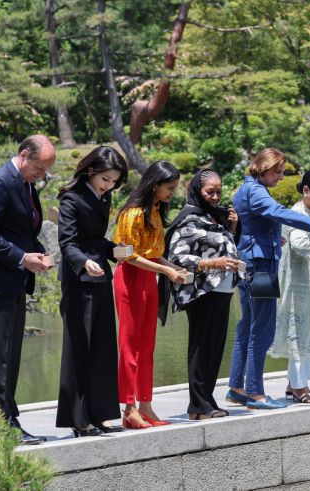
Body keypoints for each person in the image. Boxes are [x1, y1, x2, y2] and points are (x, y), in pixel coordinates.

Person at [227, 148, 310, 410]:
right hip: (262, 267)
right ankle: (255, 393)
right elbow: (277, 211)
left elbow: (250, 225)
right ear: (264, 168)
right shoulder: (256, 191)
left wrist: (271, 238)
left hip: (250, 262)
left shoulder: (244, 189)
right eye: (277, 172)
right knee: (262, 328)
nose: (281, 177)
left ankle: (236, 388)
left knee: (247, 325)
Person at [0, 135, 56, 445]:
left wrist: (38, 254)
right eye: (39, 168)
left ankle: (9, 419)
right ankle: (1, 424)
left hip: (16, 281)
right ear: (23, 155)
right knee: (1, 357)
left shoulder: (26, 183)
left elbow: (21, 230)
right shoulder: (0, 182)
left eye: (46, 170)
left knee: (12, 355)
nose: (42, 175)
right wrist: (22, 257)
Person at [55, 146, 129, 437]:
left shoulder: (104, 197)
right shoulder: (70, 199)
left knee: (102, 347)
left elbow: (97, 240)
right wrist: (84, 262)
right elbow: (67, 243)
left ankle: (100, 413)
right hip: (78, 280)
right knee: (78, 348)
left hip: (100, 278)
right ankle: (78, 417)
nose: (108, 186)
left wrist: (116, 251)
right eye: (105, 179)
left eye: (113, 182)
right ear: (90, 170)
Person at [113, 160, 188, 429]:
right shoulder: (132, 213)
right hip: (130, 278)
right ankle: (129, 407)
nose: (172, 193)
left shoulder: (155, 210)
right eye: (170, 188)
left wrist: (172, 268)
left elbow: (154, 254)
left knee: (147, 346)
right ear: (155, 185)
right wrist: (165, 270)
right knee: (129, 345)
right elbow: (127, 255)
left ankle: (145, 404)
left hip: (148, 278)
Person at [164, 169, 242, 420]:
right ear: (198, 190)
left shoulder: (214, 216)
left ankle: (206, 400)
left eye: (219, 191)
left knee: (214, 348)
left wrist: (232, 228)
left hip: (222, 290)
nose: (216, 196)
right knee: (201, 347)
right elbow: (177, 257)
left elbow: (223, 247)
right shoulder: (188, 219)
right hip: (201, 292)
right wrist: (212, 263)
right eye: (210, 192)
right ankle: (197, 405)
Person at [269, 169, 310, 404]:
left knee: (307, 332)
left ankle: (294, 384)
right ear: (306, 190)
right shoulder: (297, 213)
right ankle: (300, 387)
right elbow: (298, 241)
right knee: (297, 334)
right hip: (297, 282)